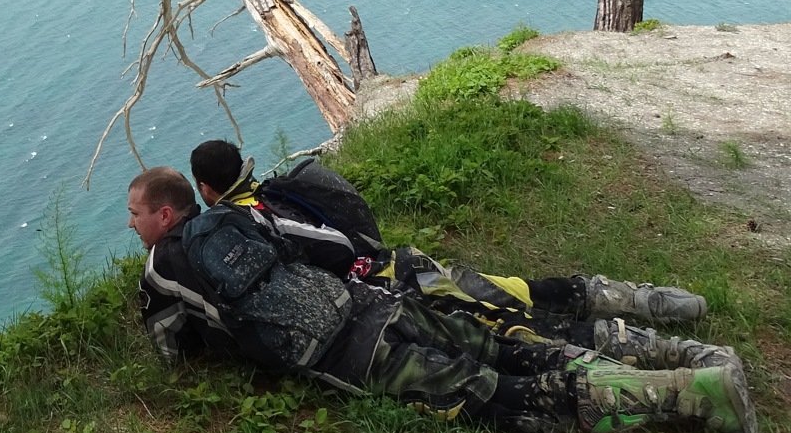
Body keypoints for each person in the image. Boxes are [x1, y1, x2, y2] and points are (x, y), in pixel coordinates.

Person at [129, 166, 758, 433]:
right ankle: (682, 360)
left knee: (513, 398)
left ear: (164, 214)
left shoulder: (162, 266)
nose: (130, 225)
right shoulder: (239, 219)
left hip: (356, 356)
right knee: (515, 338)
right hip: (375, 301)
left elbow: (173, 351)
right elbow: (329, 250)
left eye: (133, 215)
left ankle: (690, 393)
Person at [189, 139, 719, 368]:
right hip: (405, 261)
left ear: (207, 188)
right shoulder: (278, 188)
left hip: (389, 286)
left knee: (510, 327)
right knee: (513, 290)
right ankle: (644, 300)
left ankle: (662, 350)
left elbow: (340, 249)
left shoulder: (252, 217)